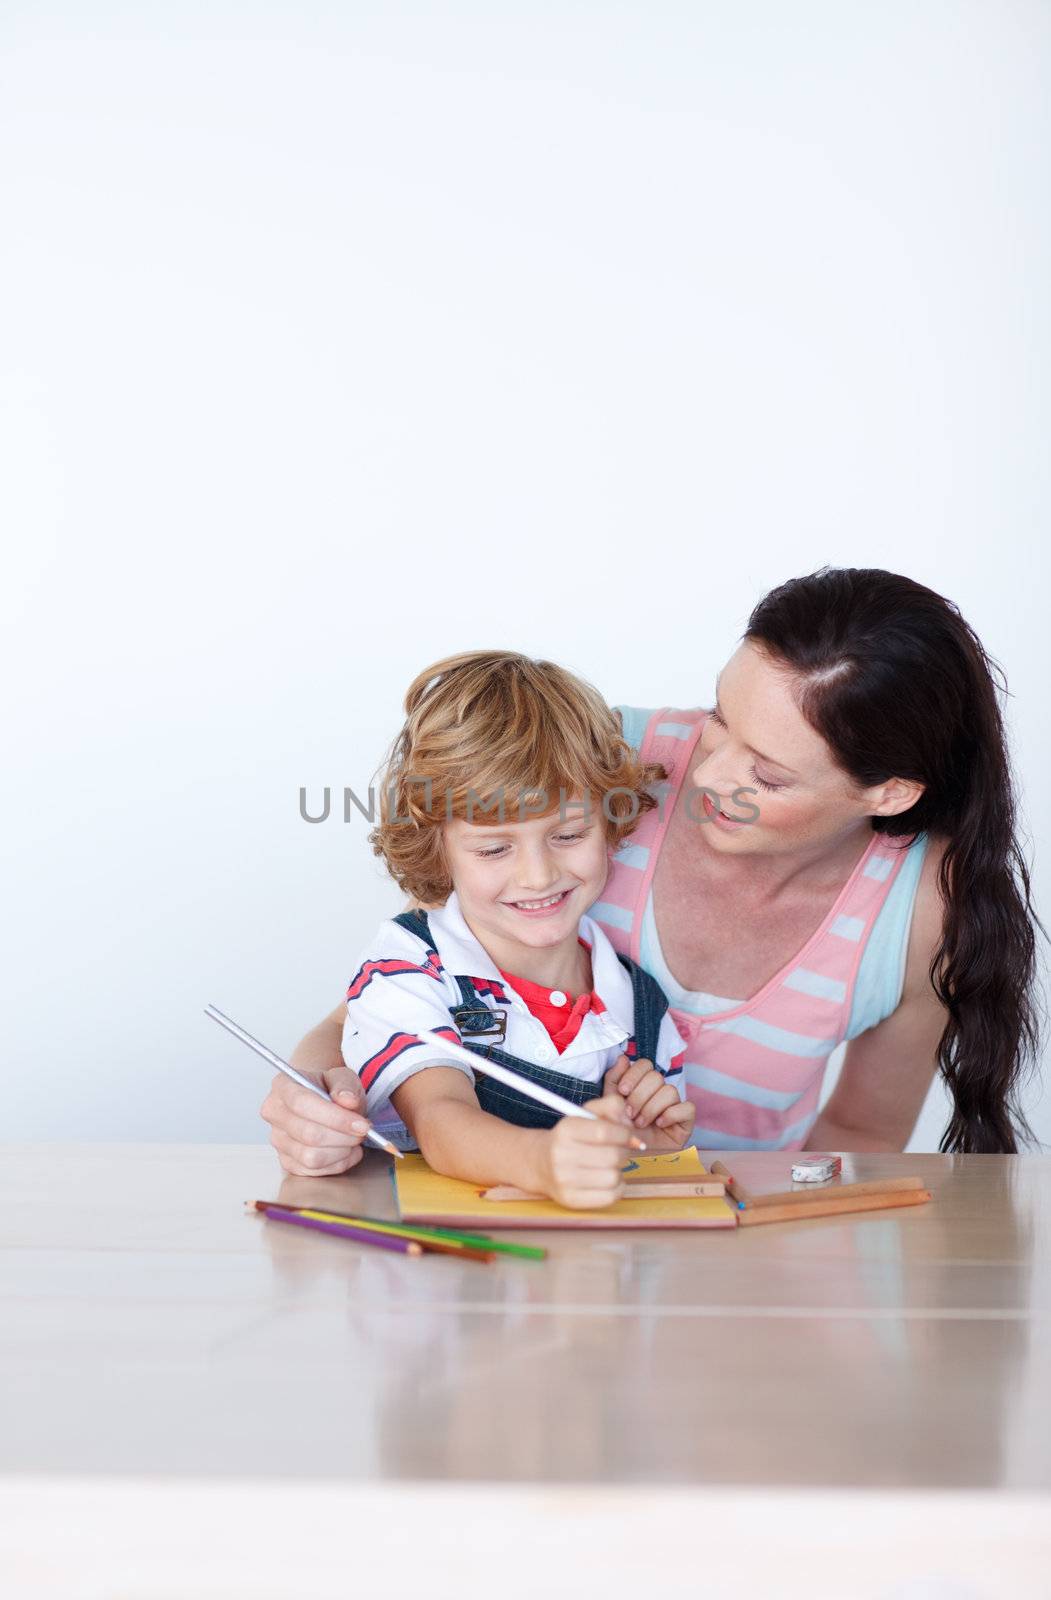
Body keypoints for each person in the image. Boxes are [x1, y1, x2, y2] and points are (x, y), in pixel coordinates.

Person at [263, 568, 1042, 1170]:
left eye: (766, 776)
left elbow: (859, 1136)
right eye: (719, 718)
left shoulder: (923, 909)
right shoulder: (589, 769)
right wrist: (308, 1095)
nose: (704, 776)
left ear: (887, 792)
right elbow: (394, 992)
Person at [327, 650, 695, 1208]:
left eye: (569, 834)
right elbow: (440, 1119)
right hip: (436, 1271)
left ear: (610, 820)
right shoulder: (409, 966)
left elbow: (623, 1177)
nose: (538, 875)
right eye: (495, 848)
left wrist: (645, 1147)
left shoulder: (641, 1009)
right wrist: (543, 1164)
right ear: (439, 849)